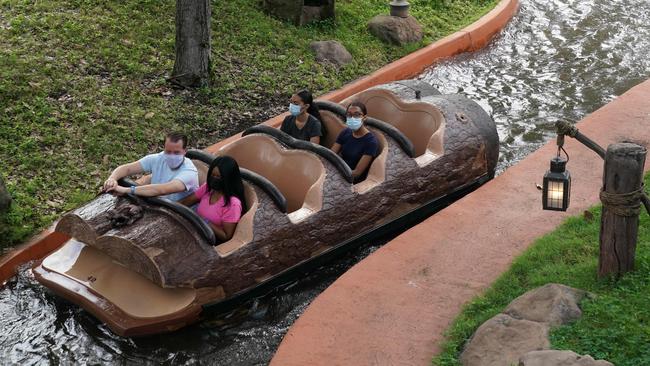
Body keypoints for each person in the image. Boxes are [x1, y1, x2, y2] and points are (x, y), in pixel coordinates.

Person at [103, 132, 199, 201]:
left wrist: (126, 190)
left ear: (185, 151)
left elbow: (162, 189)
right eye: (168, 151)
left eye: (176, 152)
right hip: (158, 205)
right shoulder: (158, 159)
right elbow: (127, 168)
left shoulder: (189, 172)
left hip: (182, 215)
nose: (171, 155)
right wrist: (112, 179)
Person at [179, 156, 245, 242]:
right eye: (212, 175)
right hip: (194, 231)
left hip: (209, 242)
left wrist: (205, 221)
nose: (214, 179)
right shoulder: (208, 188)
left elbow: (226, 236)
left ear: (228, 179)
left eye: (219, 177)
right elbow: (185, 202)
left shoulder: (233, 204)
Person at [331, 101, 379, 181]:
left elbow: (357, 173)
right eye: (349, 115)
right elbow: (331, 154)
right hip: (339, 172)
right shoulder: (345, 132)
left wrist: (337, 177)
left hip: (351, 180)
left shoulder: (371, 142)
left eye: (357, 115)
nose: (352, 118)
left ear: (364, 117)